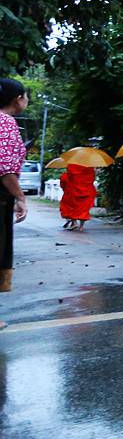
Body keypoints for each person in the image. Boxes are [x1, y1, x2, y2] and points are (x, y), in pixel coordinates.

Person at [0, 78, 29, 294]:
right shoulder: (6, 123)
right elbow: (6, 169)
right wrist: (20, 197)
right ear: (18, 99)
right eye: (26, 96)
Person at [59, 162, 97, 231]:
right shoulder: (89, 166)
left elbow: (69, 178)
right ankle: (81, 227)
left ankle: (74, 222)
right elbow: (92, 178)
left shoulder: (72, 165)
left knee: (72, 208)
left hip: (74, 191)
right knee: (84, 210)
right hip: (87, 191)